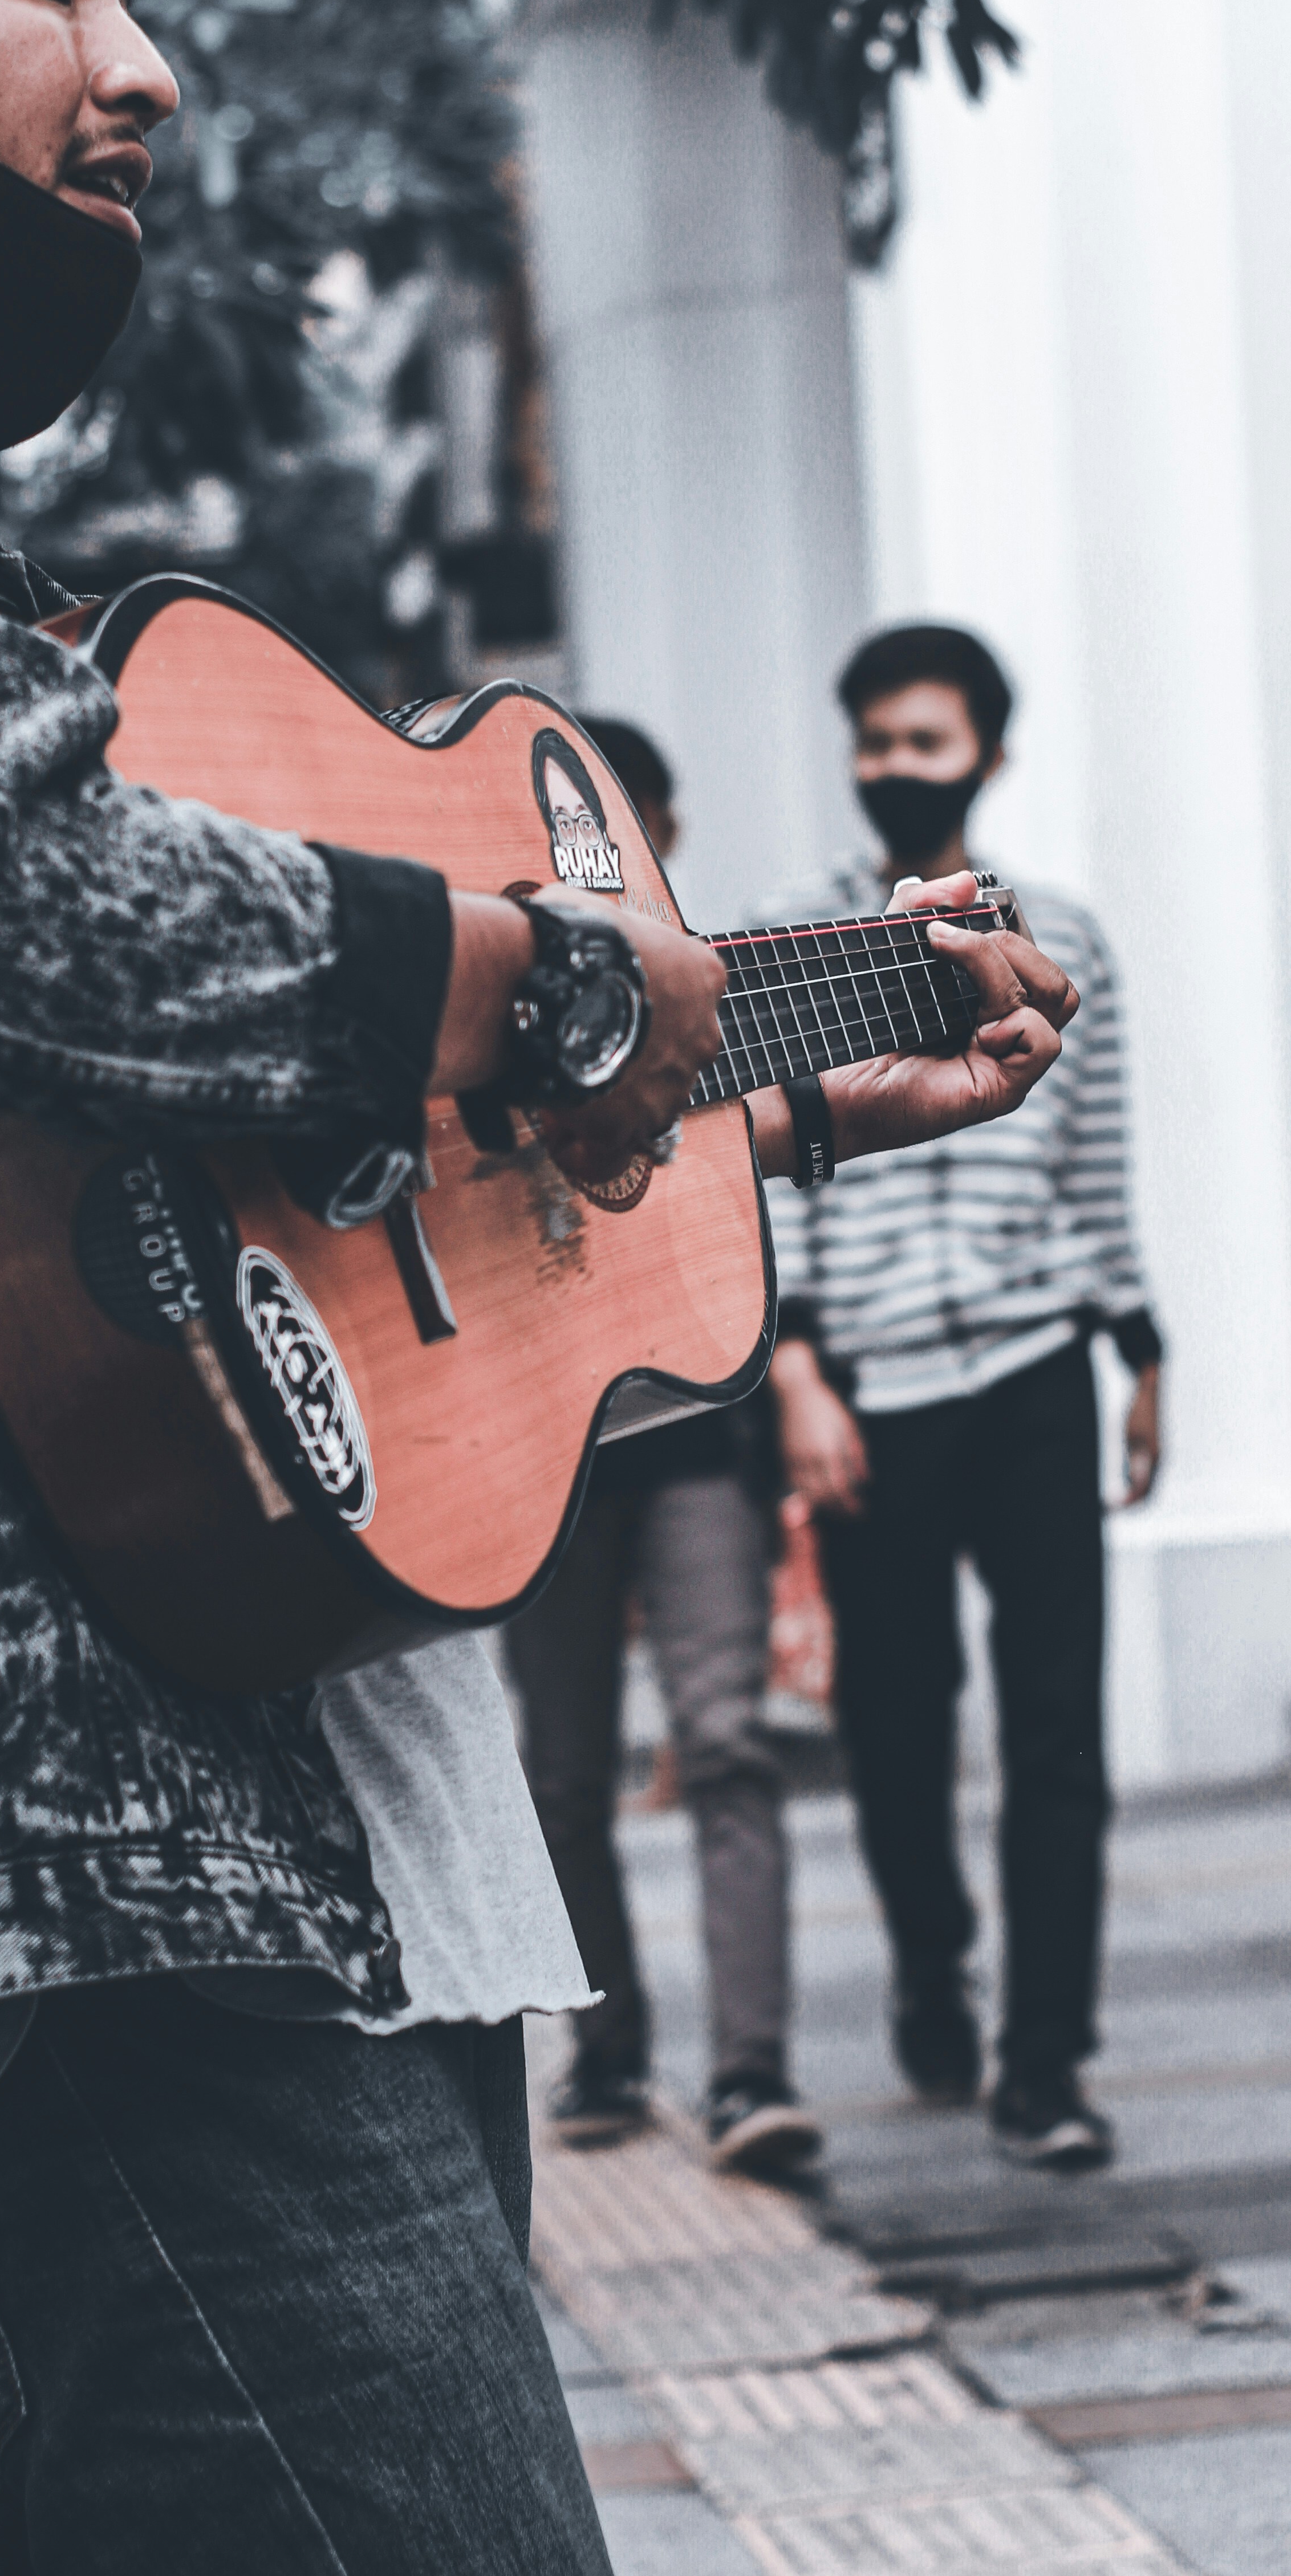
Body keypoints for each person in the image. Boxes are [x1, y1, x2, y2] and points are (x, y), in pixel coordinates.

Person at [0, 0, 1082, 2573]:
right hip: (95, 1922)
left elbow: (174, 1165)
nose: (144, 69)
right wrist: (589, 980)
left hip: (292, 1855)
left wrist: (763, 1071)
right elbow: (46, 898)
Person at [766, 625, 1162, 2174]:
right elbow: (773, 1159)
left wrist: (1140, 1348)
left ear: (987, 754)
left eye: (926, 740)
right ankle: (934, 1958)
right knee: (894, 1716)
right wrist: (794, 1369)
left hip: (1033, 1365)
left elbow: (1097, 1157)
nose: (894, 766)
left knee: (1058, 1729)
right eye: (874, 739)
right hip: (866, 1382)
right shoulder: (793, 935)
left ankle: (1048, 2062)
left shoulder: (1067, 935)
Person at [504, 721, 822, 2180]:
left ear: (666, 835)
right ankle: (608, 2047)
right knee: (564, 1772)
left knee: (729, 1742)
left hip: (702, 1428)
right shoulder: (506, 1008)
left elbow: (783, 1194)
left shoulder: (726, 994)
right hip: (563, 1435)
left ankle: (753, 2073)